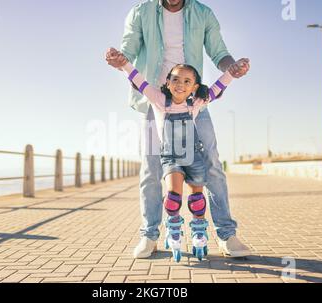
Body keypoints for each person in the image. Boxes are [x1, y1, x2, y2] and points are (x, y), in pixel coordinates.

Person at [106, 0, 251, 258]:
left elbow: (219, 53)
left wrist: (232, 68)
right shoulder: (141, 12)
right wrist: (121, 60)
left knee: (213, 166)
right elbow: (128, 50)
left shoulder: (202, 14)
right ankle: (150, 235)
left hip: (193, 105)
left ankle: (226, 235)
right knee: (151, 169)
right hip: (156, 103)